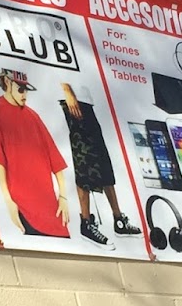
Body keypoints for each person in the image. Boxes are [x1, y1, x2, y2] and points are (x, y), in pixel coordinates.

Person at [0, 69, 70, 237]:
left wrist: (63, 197)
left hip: (50, 205)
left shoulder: (32, 116)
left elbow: (55, 159)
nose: (24, 95)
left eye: (26, 90)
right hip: (23, 205)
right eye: (20, 89)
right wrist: (8, 201)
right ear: (7, 83)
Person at [59, 83, 138, 245]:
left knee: (102, 161)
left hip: (86, 102)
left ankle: (118, 219)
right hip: (74, 102)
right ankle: (86, 223)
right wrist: (67, 91)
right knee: (83, 162)